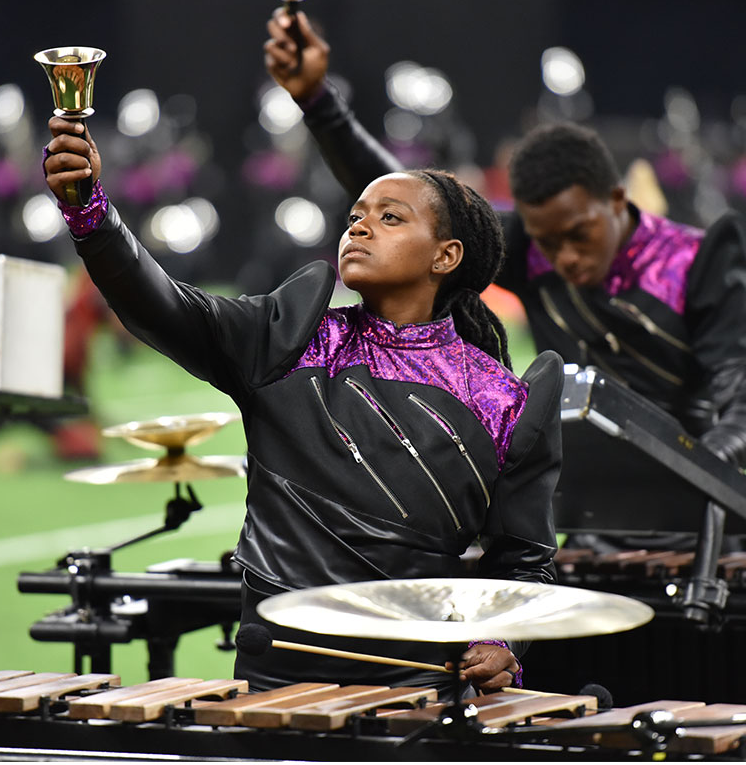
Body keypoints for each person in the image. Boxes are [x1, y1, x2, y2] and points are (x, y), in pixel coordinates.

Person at [43, 114, 565, 698]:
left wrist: (500, 642)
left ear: (445, 257)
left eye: (389, 218)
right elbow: (161, 303)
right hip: (277, 681)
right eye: (356, 218)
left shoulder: (502, 400)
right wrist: (91, 215)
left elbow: (523, 560)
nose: (360, 229)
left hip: (417, 687)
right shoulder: (284, 341)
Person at [264, 9, 746, 552]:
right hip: (584, 525)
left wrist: (696, 472)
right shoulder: (531, 252)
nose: (565, 257)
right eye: (549, 241)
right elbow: (409, 196)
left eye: (580, 236)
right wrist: (317, 102)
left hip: (694, 526)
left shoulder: (698, 259)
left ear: (617, 201)